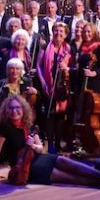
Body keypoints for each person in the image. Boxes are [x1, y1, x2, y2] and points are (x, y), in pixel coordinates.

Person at [0, 96, 100, 187]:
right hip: (27, 168)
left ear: (23, 109)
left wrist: (33, 145)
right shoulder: (4, 127)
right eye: (11, 108)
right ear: (6, 110)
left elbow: (39, 148)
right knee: (71, 178)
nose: (14, 111)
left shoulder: (27, 125)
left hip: (40, 158)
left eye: (18, 108)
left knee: (70, 163)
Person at [36, 22, 72, 153]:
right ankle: (50, 144)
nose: (58, 33)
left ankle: (58, 144)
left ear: (66, 34)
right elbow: (39, 66)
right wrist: (44, 83)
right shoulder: (45, 47)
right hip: (48, 86)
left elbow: (72, 67)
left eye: (61, 31)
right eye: (56, 30)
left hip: (62, 87)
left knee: (60, 116)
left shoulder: (68, 48)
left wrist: (66, 68)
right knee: (49, 116)